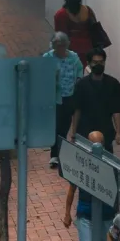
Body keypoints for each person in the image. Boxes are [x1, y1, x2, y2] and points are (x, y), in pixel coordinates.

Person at [63, 130, 117, 241]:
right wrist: (67, 213)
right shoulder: (82, 164)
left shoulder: (112, 166)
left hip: (107, 215)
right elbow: (72, 189)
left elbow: (118, 192)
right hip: (86, 214)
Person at [69, 48, 120, 154]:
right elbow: (77, 109)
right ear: (89, 63)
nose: (98, 65)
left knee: (107, 159)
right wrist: (74, 132)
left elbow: (116, 110)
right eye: (95, 62)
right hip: (84, 129)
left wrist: (118, 132)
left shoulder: (113, 84)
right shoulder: (81, 85)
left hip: (105, 128)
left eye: (101, 62)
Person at [46, 31, 85, 167]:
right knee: (56, 126)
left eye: (62, 46)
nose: (60, 49)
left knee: (65, 125)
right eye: (57, 46)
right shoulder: (48, 57)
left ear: (67, 45)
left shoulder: (73, 57)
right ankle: (55, 154)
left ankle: (60, 152)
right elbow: (42, 74)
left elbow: (80, 69)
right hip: (55, 97)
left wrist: (79, 80)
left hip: (70, 95)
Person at [54, 0, 98, 64]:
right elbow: (95, 30)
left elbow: (60, 37)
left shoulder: (61, 14)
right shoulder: (88, 10)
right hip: (87, 49)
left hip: (70, 51)